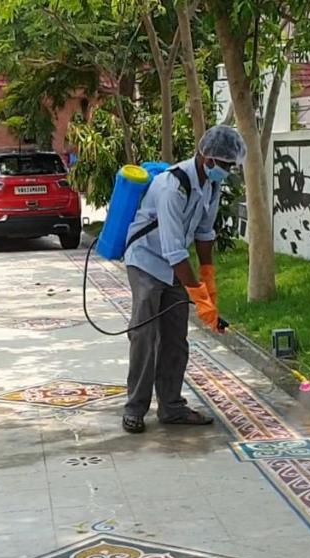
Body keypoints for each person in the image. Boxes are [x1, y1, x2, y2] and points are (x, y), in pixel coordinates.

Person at [120, 125, 246, 434]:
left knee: (176, 337)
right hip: (147, 261)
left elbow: (204, 234)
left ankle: (171, 407)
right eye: (225, 164)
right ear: (206, 157)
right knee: (145, 335)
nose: (228, 170)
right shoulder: (171, 187)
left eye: (231, 165)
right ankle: (135, 408)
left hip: (174, 266)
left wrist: (209, 280)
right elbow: (174, 250)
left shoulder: (212, 186)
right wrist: (200, 298)